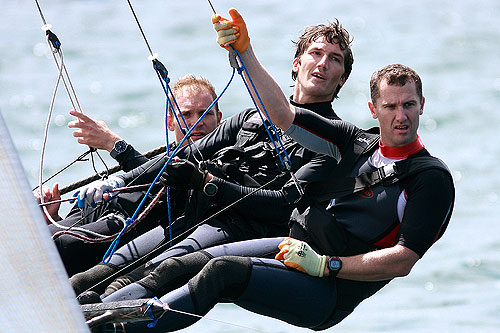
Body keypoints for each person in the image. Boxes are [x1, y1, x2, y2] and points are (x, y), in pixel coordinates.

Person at [90, 10, 455, 332]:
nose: (401, 116)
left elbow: (404, 260)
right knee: (192, 262)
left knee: (222, 272)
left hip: (328, 289)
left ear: (422, 105)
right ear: (373, 110)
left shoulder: (429, 178)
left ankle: (118, 331)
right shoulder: (354, 142)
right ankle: (94, 313)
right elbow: (282, 114)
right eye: (390, 106)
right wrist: (244, 51)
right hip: (298, 245)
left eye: (409, 105)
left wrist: (328, 266)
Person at [70, 17, 355, 297]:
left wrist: (207, 182)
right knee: (92, 277)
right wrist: (119, 180)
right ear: (297, 63)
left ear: (342, 78)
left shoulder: (333, 142)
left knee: (130, 283)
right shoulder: (250, 117)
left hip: (239, 230)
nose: (322, 63)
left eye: (334, 59)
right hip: (193, 215)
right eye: (315, 53)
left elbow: (283, 205)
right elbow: (183, 155)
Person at [35, 74, 223, 276]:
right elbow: (152, 172)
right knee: (32, 237)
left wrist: (113, 144)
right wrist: (53, 217)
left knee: (42, 246)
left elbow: (165, 183)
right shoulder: (162, 160)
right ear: (170, 122)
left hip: (122, 229)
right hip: (94, 217)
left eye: (205, 113)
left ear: (219, 119)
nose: (197, 121)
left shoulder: (220, 164)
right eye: (186, 114)